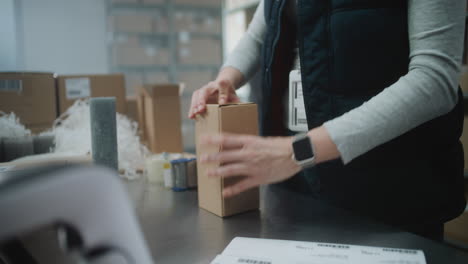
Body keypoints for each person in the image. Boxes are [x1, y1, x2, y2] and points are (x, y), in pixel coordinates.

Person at [189, 0, 467, 241]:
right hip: (298, 181)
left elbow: (434, 82)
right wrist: (226, 79)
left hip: (392, 190)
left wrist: (297, 151)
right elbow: (258, 34)